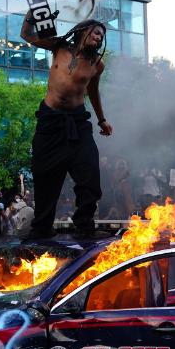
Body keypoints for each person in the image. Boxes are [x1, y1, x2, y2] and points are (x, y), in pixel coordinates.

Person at [21, 15, 113, 239]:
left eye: (102, 34)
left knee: (90, 172)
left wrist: (101, 119)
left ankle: (84, 225)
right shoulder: (59, 47)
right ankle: (42, 228)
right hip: (50, 122)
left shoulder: (96, 64)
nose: (99, 36)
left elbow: (92, 92)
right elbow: (26, 35)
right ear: (83, 31)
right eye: (96, 31)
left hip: (78, 122)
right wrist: (31, 17)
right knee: (45, 177)